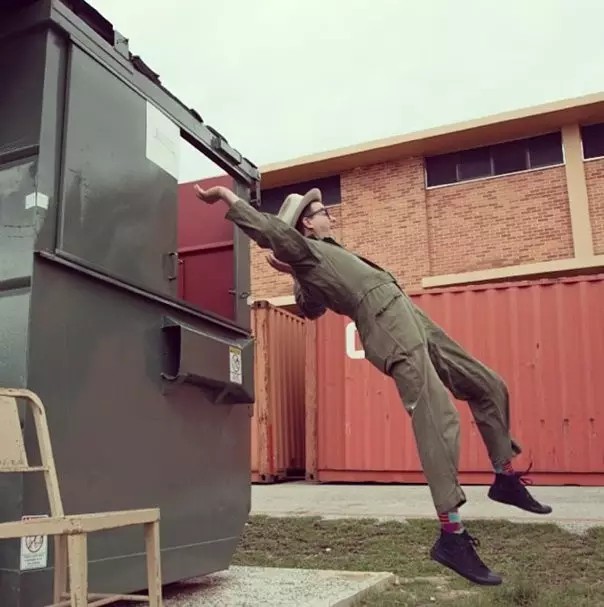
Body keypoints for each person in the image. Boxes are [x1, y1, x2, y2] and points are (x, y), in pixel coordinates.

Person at [193, 182, 552, 586]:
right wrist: (230, 199)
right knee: (438, 416)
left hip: (410, 316)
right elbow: (273, 236)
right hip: (386, 324)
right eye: (323, 211)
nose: (331, 214)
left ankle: (505, 477)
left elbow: (312, 307)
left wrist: (297, 272)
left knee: (488, 383)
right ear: (306, 224)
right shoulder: (305, 252)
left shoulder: (325, 255)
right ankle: (452, 535)